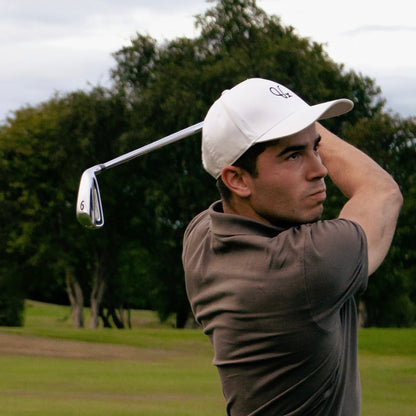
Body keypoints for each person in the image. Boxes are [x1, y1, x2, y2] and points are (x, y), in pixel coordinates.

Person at [182, 78, 402, 415]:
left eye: (315, 147)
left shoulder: (199, 238)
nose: (321, 169)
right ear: (237, 179)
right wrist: (302, 121)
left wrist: (282, 118)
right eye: (293, 155)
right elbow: (381, 192)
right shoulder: (306, 263)